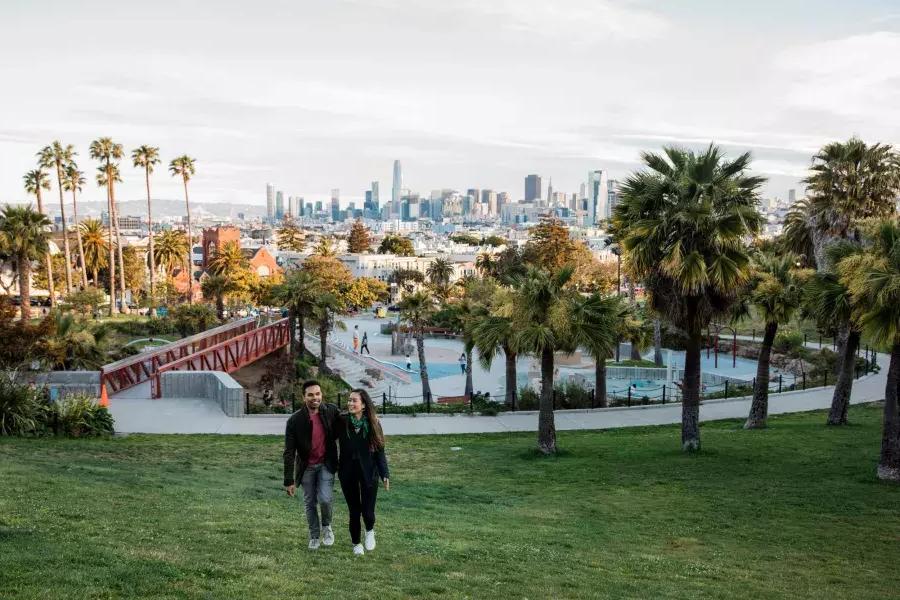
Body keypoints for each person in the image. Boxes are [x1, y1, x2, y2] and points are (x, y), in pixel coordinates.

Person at [283, 380, 341, 550]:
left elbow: (348, 422)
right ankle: (314, 536)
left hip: (326, 464)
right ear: (303, 397)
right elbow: (289, 452)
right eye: (310, 395)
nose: (315, 398)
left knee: (325, 499)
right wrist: (289, 480)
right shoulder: (294, 421)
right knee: (310, 503)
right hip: (306, 466)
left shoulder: (330, 411)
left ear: (321, 395)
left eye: (318, 394)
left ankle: (327, 527)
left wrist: (369, 416)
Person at [337, 389, 390, 555]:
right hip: (347, 472)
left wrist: (384, 473)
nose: (350, 403)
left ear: (364, 405)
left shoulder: (373, 423)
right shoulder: (342, 421)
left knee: (368, 510)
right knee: (354, 510)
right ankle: (356, 543)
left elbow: (380, 450)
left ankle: (369, 531)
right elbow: (328, 411)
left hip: (369, 472)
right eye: (349, 400)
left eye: (354, 401)